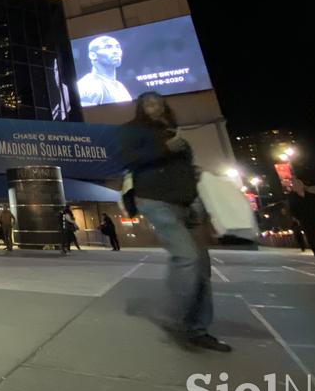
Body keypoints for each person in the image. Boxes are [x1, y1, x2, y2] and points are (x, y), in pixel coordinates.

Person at [120, 91, 230, 352]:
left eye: (158, 102)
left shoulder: (175, 132)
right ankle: (176, 316)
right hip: (155, 200)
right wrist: (163, 149)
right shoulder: (132, 131)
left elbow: (184, 166)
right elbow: (127, 159)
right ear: (140, 108)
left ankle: (198, 328)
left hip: (188, 202)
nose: (154, 106)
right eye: (148, 102)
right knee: (186, 257)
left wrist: (194, 175)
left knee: (202, 266)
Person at [286, 179, 315, 270]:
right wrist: (299, 218)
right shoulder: (293, 199)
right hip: (306, 223)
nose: (297, 187)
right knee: (313, 243)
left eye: (299, 184)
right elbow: (293, 211)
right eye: (295, 185)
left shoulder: (312, 196)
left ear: (302, 185)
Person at [77, 35, 132, 107]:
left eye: (118, 47)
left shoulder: (119, 85)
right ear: (93, 55)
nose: (116, 51)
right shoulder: (89, 85)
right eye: (108, 47)